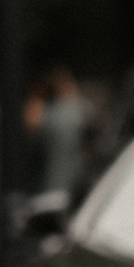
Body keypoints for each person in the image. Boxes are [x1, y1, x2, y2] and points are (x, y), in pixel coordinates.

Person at [27, 64, 87, 197]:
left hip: (50, 186)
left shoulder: (48, 115)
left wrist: (36, 97)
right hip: (66, 185)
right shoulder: (73, 112)